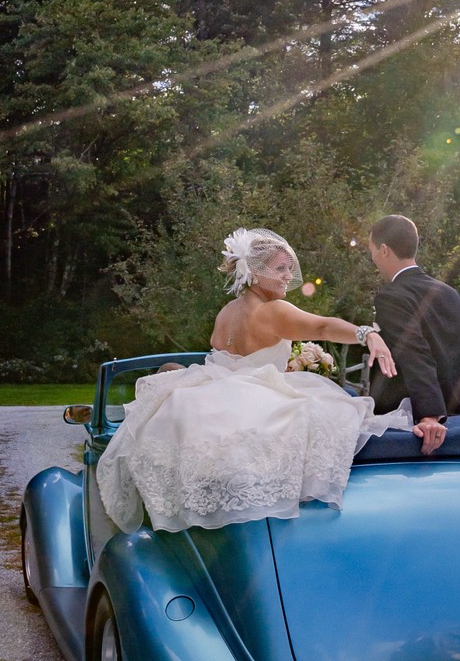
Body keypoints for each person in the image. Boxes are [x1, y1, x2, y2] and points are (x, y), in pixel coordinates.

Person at [96, 227, 411, 533]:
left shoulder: (226, 312)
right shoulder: (273, 311)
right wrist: (366, 333)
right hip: (251, 393)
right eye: (282, 269)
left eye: (290, 268)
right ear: (256, 273)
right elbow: (322, 328)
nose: (289, 275)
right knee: (335, 414)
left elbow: (228, 355)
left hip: (214, 388)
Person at [368, 214, 460, 455]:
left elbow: (414, 352)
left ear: (384, 250)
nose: (372, 258)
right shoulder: (449, 293)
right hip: (459, 416)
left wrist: (429, 415)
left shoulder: (391, 297)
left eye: (372, 250)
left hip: (415, 427)